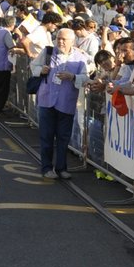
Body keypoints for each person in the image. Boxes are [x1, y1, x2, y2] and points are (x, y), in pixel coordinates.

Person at [34, 26, 89, 180]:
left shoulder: (79, 57)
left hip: (66, 102)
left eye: (64, 39)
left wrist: (72, 76)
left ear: (72, 41)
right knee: (46, 136)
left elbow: (85, 78)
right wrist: (41, 70)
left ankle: (61, 168)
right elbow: (33, 67)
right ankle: (46, 168)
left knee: (63, 137)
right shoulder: (48, 52)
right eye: (58, 38)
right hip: (47, 100)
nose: (60, 41)